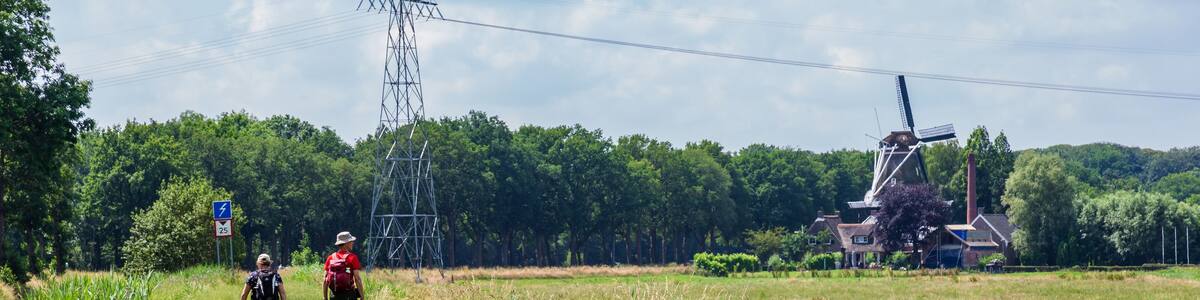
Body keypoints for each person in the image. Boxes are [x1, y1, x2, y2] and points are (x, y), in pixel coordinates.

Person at [324, 231, 365, 300]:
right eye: (351, 241)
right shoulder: (352, 257)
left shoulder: (330, 258)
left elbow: (325, 280)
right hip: (349, 295)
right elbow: (357, 278)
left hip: (334, 295)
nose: (352, 243)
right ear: (346, 243)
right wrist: (362, 296)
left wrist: (325, 297)